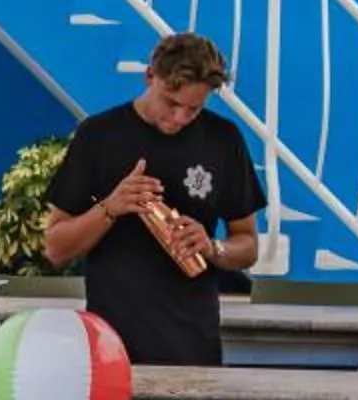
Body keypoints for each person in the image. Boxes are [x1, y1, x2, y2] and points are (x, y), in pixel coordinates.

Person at [39, 32, 268, 366]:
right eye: (171, 103)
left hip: (194, 345)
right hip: (111, 347)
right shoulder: (99, 135)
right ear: (150, 76)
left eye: (194, 108)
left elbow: (247, 245)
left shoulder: (223, 139)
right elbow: (55, 248)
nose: (179, 118)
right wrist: (110, 208)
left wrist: (212, 247)